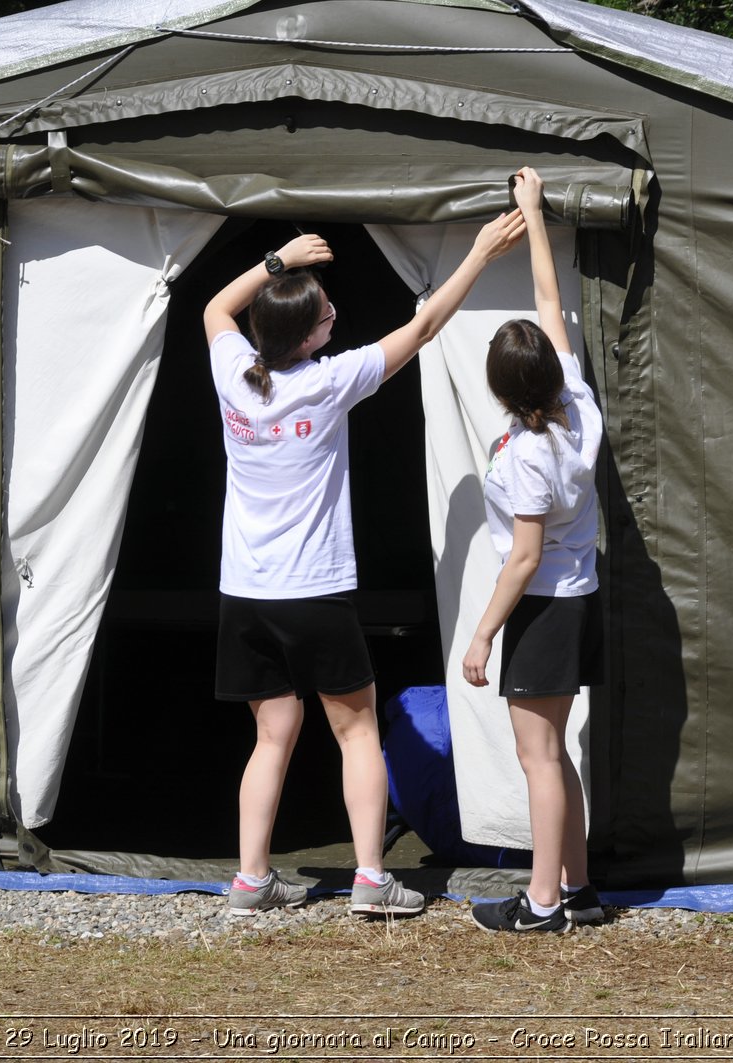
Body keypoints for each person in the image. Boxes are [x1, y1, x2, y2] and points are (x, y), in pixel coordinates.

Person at [206, 214, 526, 917]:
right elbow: (425, 326)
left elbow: (213, 308)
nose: (336, 315)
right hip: (313, 591)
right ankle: (372, 879)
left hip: (246, 593)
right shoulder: (328, 382)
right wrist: (475, 252)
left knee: (270, 736)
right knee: (355, 731)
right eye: (327, 314)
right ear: (312, 336)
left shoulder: (236, 375)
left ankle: (251, 879)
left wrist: (278, 261)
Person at [461, 167, 606, 934]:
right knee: (556, 751)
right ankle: (575, 887)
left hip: (545, 605)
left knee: (538, 758)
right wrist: (534, 212)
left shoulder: (527, 454)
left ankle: (542, 904)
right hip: (578, 595)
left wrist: (484, 631)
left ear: (504, 392)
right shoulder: (575, 399)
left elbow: (521, 557)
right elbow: (551, 300)